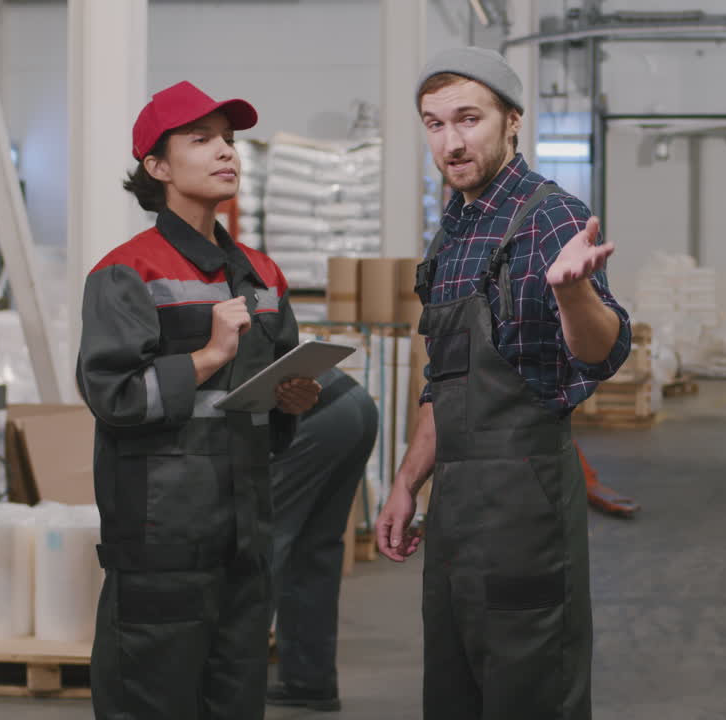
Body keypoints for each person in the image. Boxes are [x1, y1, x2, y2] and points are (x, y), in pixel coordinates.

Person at [376, 47, 632, 719]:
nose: (452, 142)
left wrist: (575, 296)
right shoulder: (452, 234)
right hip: (456, 500)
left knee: (529, 687)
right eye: (434, 124)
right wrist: (407, 484)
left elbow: (602, 354)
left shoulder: (549, 216)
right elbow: (445, 377)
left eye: (469, 119)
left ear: (512, 121)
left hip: (525, 502)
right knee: (455, 683)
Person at [77, 80, 321, 720]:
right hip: (162, 544)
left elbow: (260, 407)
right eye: (201, 139)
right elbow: (114, 398)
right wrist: (207, 357)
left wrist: (291, 402)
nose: (226, 153)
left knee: (236, 702)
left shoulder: (263, 276)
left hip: (244, 538)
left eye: (230, 140)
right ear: (157, 168)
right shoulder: (128, 272)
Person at [266, 367, 378, 712]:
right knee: (313, 550)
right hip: (354, 402)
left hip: (317, 414)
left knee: (262, 547)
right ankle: (309, 682)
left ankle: (230, 684)